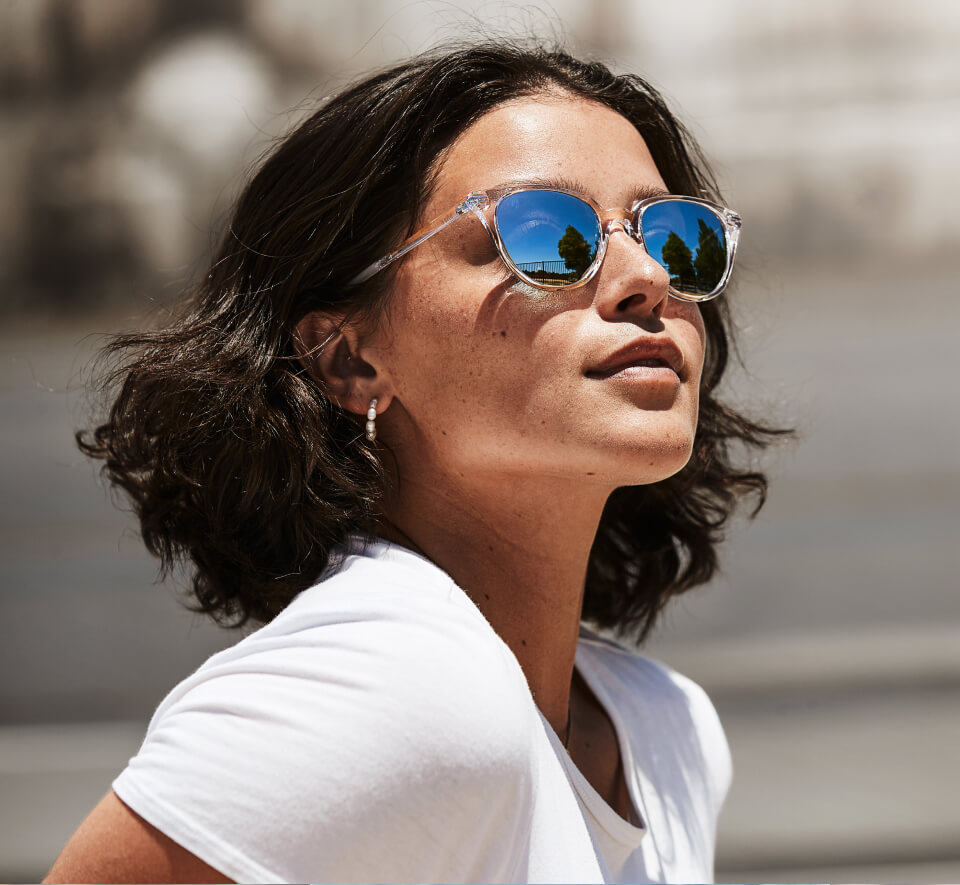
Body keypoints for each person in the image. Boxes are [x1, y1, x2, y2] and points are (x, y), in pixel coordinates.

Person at [46, 41, 785, 884]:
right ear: (349, 360)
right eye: (546, 234)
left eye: (678, 236)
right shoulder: (399, 689)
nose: (648, 277)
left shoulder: (666, 730)